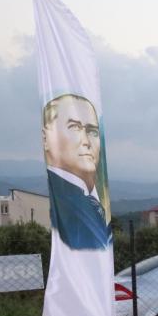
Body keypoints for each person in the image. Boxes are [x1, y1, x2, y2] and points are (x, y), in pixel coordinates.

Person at [41, 93, 111, 250]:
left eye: (92, 131)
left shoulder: (95, 205)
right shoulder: (62, 208)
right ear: (46, 139)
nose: (86, 142)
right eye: (74, 128)